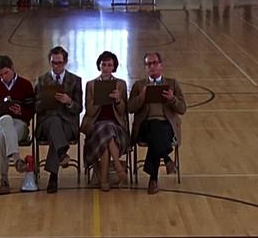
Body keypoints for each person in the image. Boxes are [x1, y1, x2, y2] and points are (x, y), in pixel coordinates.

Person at [128, 52, 186, 195]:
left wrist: (172, 99)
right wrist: (142, 97)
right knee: (154, 127)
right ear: (145, 67)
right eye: (148, 64)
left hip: (166, 126)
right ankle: (166, 159)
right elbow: (130, 108)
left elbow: (182, 109)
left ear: (161, 65)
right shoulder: (139, 85)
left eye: (154, 63)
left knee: (158, 131)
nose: (151, 67)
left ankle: (153, 179)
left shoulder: (172, 84)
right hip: (145, 125)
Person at [0, 55, 36, 194]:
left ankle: (4, 179)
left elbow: (32, 110)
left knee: (2, 138)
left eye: (6, 73)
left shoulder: (25, 85)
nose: (4, 77)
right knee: (5, 120)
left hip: (19, 124)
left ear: (12, 68)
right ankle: (17, 160)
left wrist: (21, 111)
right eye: (1, 75)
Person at [34, 46, 82, 193]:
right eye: (53, 63)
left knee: (57, 130)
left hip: (67, 124)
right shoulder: (42, 80)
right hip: (46, 124)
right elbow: (35, 107)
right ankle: (61, 155)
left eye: (59, 63)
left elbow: (79, 108)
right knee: (54, 122)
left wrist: (69, 101)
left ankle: (54, 175)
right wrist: (45, 101)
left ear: (65, 62)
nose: (56, 66)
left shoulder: (75, 80)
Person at [80, 51, 130, 192]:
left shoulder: (121, 84)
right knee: (106, 131)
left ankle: (103, 178)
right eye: (104, 64)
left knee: (107, 132)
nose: (106, 68)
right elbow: (89, 111)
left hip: (116, 128)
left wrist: (118, 99)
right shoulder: (91, 85)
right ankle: (118, 169)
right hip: (96, 126)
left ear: (113, 67)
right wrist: (99, 99)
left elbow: (123, 111)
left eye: (109, 65)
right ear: (99, 66)